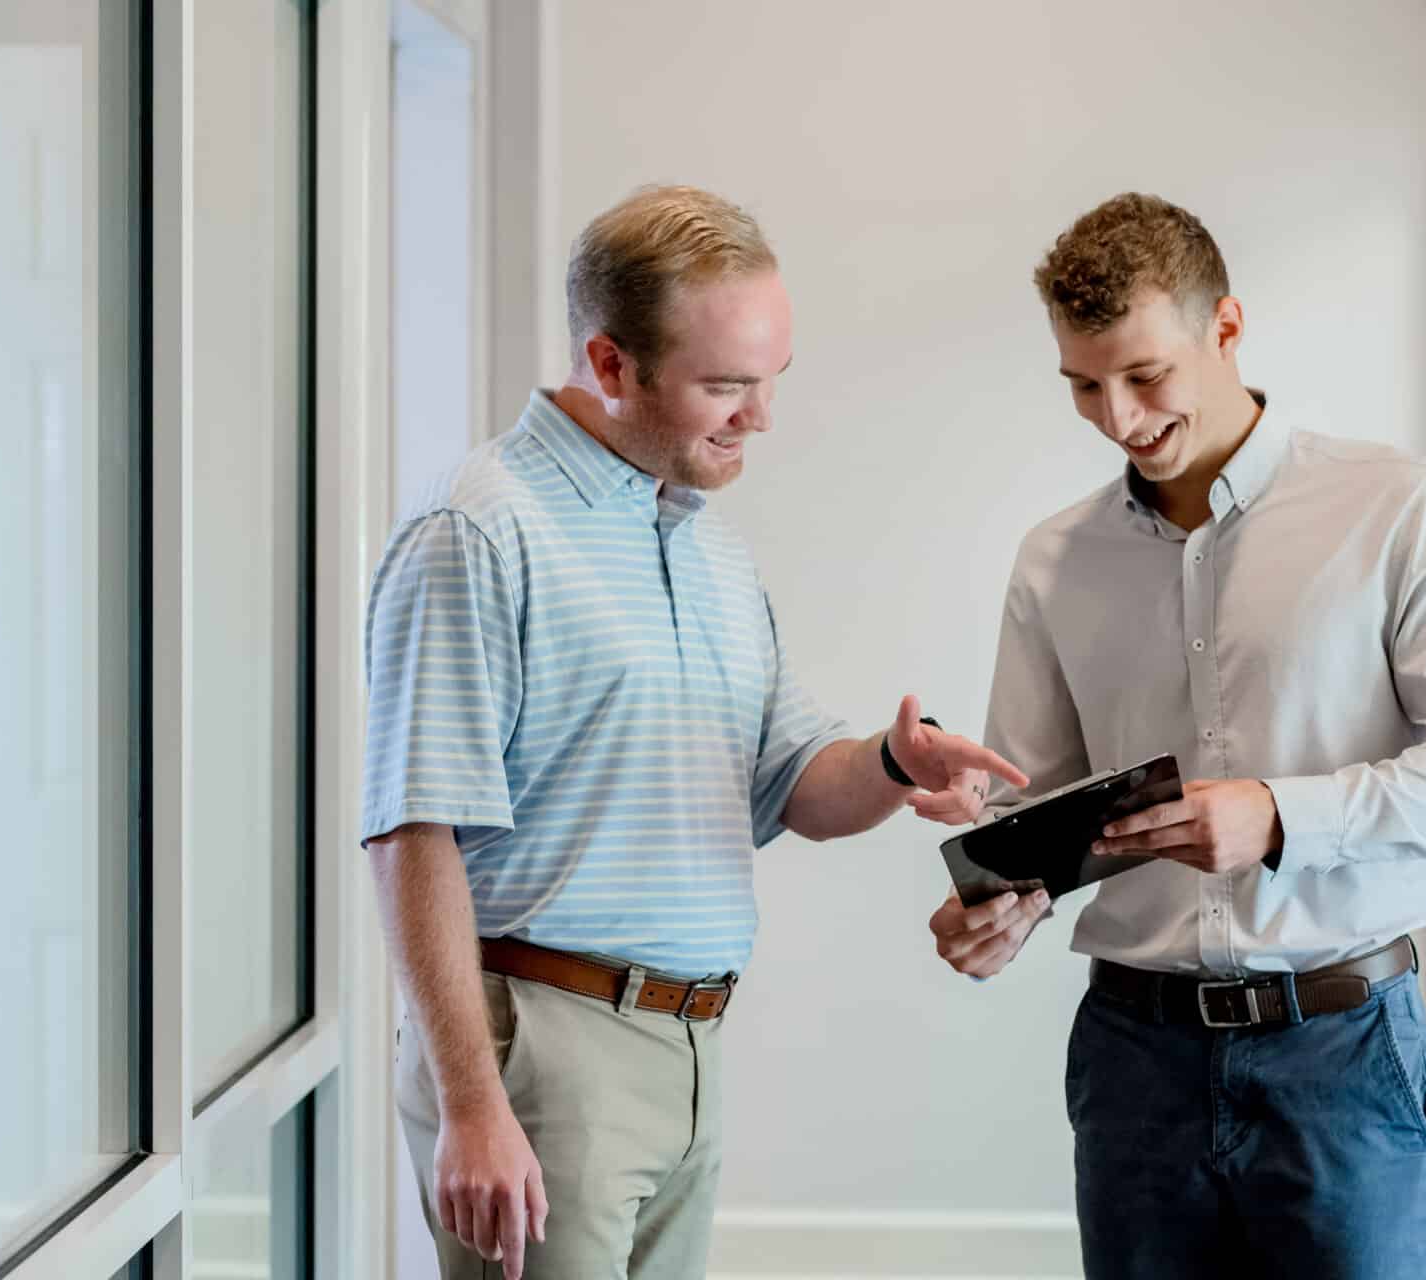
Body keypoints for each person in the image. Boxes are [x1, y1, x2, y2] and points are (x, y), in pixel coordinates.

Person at [363, 185, 1027, 1280]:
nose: (758, 417)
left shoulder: (705, 543)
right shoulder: (476, 530)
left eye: (771, 382)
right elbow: (412, 833)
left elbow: (793, 781)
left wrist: (899, 760)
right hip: (538, 1048)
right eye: (725, 386)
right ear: (610, 363)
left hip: (689, 1047)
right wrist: (471, 1104)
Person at [927, 192, 1426, 1279]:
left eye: (1145, 374)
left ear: (1226, 329)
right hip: (1134, 1061)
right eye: (1082, 384)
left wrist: (1277, 812)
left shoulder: (1401, 509)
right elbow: (1040, 806)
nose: (1118, 417)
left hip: (1342, 1054)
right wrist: (998, 896)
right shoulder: (1053, 560)